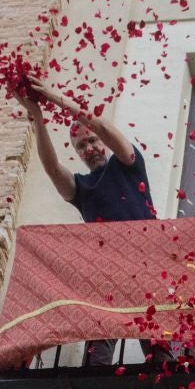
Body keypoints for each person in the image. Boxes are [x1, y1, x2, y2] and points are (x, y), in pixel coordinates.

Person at [22, 79, 157, 366]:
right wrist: (37, 117)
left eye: (92, 141)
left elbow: (105, 128)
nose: (90, 148)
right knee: (98, 355)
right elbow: (52, 168)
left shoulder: (128, 164)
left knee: (158, 345)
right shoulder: (80, 188)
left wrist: (56, 98)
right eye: (81, 146)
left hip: (147, 262)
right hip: (108, 272)